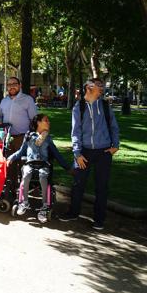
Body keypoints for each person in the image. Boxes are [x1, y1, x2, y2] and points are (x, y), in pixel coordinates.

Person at [59, 78, 120, 230]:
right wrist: (77, 153)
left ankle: (99, 220)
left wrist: (115, 146)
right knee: (78, 184)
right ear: (89, 87)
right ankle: (73, 213)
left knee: (102, 187)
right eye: (99, 86)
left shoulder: (105, 105)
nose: (102, 89)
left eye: (102, 86)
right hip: (84, 152)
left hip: (104, 151)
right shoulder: (78, 107)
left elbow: (114, 126)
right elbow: (75, 132)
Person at [8, 114, 70, 223]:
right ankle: (24, 202)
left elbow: (57, 155)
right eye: (46, 120)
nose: (49, 122)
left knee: (43, 175)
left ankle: (45, 206)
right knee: (26, 173)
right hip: (30, 164)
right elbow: (21, 151)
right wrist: (10, 158)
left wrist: (68, 168)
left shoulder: (48, 139)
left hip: (43, 165)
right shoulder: (29, 136)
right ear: (38, 123)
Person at [0, 77, 38, 154]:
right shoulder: (3, 101)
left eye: (14, 84)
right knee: (8, 163)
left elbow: (34, 119)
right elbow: (0, 117)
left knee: (22, 164)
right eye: (9, 84)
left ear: (20, 85)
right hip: (6, 139)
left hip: (22, 139)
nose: (12, 86)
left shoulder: (28, 99)